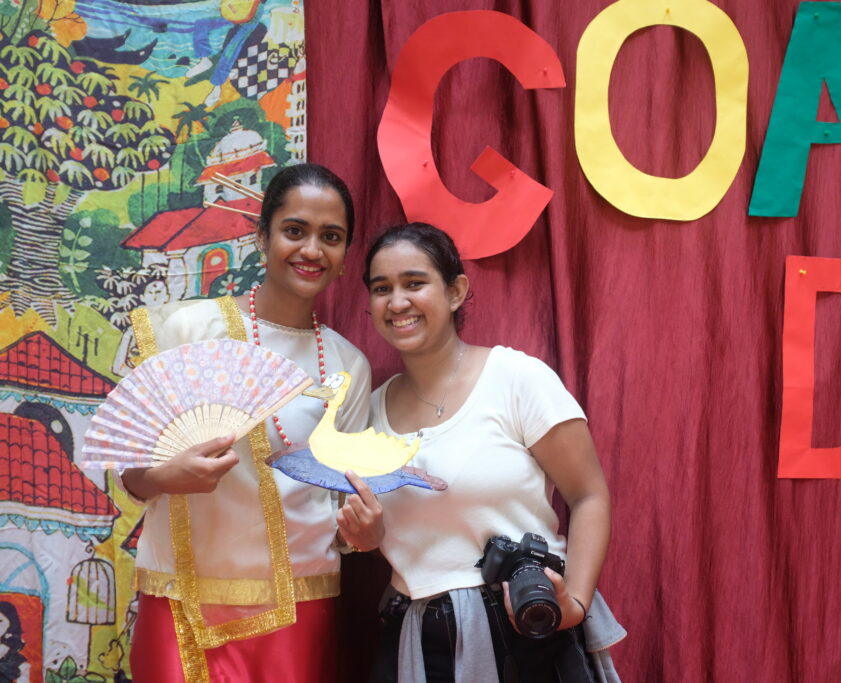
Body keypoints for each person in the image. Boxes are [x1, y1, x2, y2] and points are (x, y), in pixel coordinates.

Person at [111, 163, 377, 682]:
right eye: (294, 230)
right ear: (262, 237)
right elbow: (129, 476)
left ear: (346, 256)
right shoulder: (191, 330)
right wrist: (167, 476)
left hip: (299, 602)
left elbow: (343, 506)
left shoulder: (348, 365)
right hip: (181, 597)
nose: (311, 250)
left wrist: (364, 533)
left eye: (331, 237)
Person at [361, 223, 625, 682]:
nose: (397, 302)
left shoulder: (516, 379)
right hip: (419, 641)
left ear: (456, 291)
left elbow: (588, 496)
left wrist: (577, 602)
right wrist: (366, 537)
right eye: (382, 288)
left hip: (525, 627)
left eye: (414, 283)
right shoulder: (368, 412)